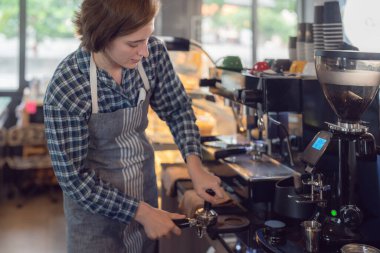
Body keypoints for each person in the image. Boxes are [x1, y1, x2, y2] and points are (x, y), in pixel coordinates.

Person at [43, 0, 226, 252]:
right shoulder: (68, 86)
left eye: (147, 37)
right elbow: (74, 179)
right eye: (133, 43)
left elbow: (177, 109)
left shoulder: (153, 56)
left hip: (145, 194)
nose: (145, 51)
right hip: (95, 222)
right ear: (101, 36)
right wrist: (140, 212)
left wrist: (195, 166)